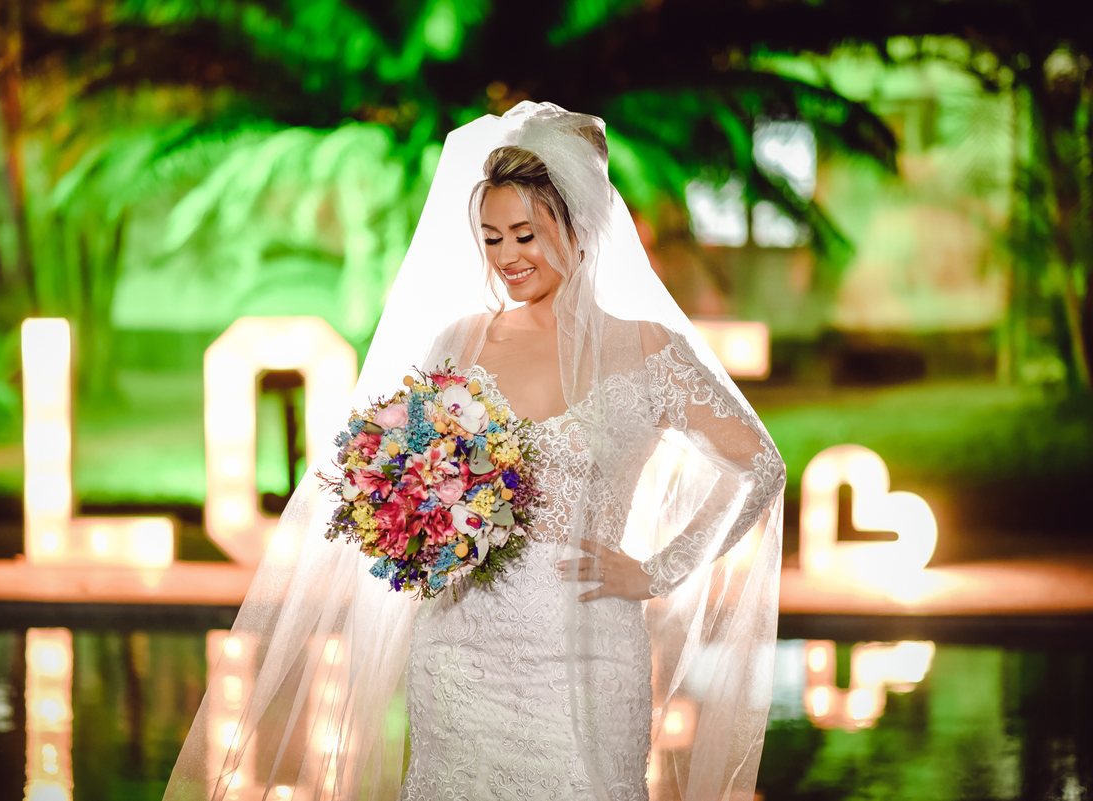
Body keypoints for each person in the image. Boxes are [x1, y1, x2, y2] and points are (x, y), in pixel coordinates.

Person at [163, 102, 786, 801]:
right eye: (492, 238)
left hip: (590, 649)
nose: (507, 257)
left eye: (525, 233)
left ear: (579, 224)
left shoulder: (648, 350)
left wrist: (659, 569)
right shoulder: (461, 341)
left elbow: (760, 463)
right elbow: (403, 472)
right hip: (460, 651)